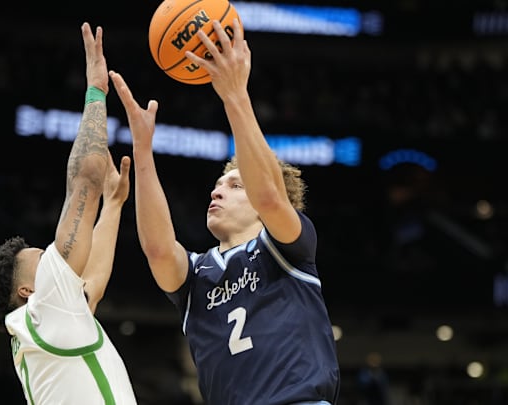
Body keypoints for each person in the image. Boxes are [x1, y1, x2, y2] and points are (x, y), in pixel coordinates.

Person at [109, 18, 340, 405]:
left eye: (235, 185)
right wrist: (143, 149)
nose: (217, 190)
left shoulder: (288, 247)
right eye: (218, 184)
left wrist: (234, 94)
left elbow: (269, 197)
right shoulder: (197, 276)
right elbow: (160, 250)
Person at [0, 22, 137, 405]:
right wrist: (97, 91)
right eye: (47, 260)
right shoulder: (44, 311)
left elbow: (90, 287)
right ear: (28, 291)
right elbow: (85, 179)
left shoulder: (47, 322)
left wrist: (113, 204)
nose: (56, 259)